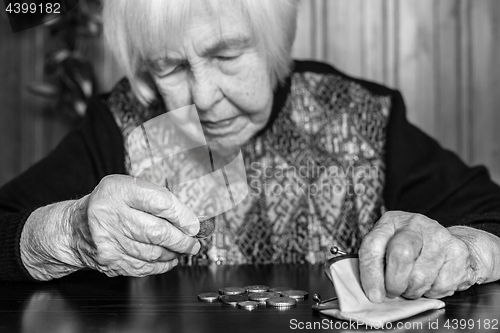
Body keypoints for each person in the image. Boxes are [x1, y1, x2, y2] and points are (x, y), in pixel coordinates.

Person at [1, 0, 499, 304]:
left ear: (275, 43)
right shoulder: (121, 122)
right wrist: (68, 233)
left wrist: (465, 250)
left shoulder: (362, 114)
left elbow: (490, 216)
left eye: (226, 55)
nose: (202, 97)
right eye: (169, 67)